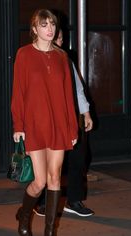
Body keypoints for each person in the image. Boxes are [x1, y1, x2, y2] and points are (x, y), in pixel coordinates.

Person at [11, 9, 78, 236]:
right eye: (44, 25)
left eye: (52, 24)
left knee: (55, 176)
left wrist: (72, 127)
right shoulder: (24, 54)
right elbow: (18, 93)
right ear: (34, 29)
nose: (49, 29)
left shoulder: (62, 57)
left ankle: (50, 231)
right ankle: (24, 215)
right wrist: (18, 125)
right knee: (39, 182)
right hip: (35, 124)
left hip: (59, 124)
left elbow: (69, 95)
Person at [33, 29, 94, 217]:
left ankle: (73, 200)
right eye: (56, 37)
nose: (58, 41)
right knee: (47, 163)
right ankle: (42, 202)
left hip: (70, 117)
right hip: (46, 119)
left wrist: (86, 113)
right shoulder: (34, 58)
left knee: (77, 158)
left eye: (60, 37)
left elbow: (78, 88)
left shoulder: (65, 59)